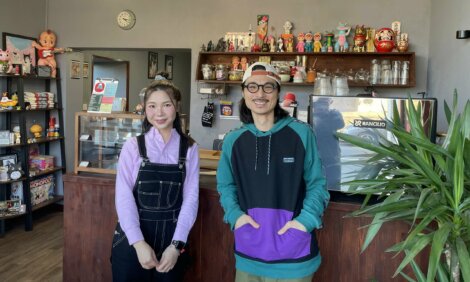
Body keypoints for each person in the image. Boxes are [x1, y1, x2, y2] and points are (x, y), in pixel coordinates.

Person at [217, 62, 330, 281]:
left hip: (295, 253)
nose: (260, 93)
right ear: (243, 92)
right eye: (252, 87)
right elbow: (225, 185)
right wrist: (235, 216)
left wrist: (303, 223)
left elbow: (318, 184)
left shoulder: (301, 133)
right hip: (249, 250)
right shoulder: (233, 141)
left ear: (278, 92)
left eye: (268, 87)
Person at [111, 78, 199, 282]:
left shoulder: (190, 148)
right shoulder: (133, 146)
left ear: (177, 107)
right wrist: (138, 243)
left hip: (172, 241)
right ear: (144, 109)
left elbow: (191, 199)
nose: (159, 113)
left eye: (166, 105)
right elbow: (123, 198)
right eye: (152, 106)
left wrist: (176, 245)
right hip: (132, 239)